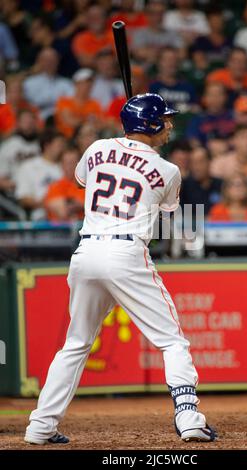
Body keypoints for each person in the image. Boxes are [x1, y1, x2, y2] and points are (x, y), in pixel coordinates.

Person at [24, 93, 217, 445]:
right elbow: (170, 208)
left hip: (85, 252)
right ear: (151, 124)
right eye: (165, 119)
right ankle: (189, 418)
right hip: (126, 252)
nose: (170, 125)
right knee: (172, 340)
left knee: (76, 343)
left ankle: (40, 426)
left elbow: (86, 180)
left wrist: (123, 148)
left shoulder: (96, 148)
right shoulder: (168, 169)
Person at [15, 129, 65, 220]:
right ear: (47, 145)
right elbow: (23, 198)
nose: (62, 149)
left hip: (68, 217)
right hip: (40, 217)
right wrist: (48, 203)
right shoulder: (29, 166)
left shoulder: (66, 166)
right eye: (59, 145)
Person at [23, 48, 74, 120]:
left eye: (52, 60)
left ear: (58, 62)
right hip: (36, 121)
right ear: (39, 61)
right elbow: (27, 106)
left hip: (61, 121)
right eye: (46, 60)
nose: (49, 63)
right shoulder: (29, 83)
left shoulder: (66, 83)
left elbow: (70, 104)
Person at [131, 1, 184, 68]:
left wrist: (153, 53)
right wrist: (166, 55)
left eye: (160, 13)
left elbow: (182, 53)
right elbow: (138, 53)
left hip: (169, 69)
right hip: (146, 69)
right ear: (147, 15)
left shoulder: (172, 33)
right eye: (153, 13)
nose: (157, 17)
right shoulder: (140, 33)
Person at [55, 68, 105, 138]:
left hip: (89, 139)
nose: (87, 86)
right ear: (76, 84)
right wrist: (88, 120)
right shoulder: (64, 101)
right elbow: (69, 121)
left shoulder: (95, 103)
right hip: (67, 138)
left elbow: (100, 124)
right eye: (84, 83)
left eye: (90, 83)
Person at [0, 110, 41, 196]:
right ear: (17, 124)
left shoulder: (43, 145)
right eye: (25, 121)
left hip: (40, 189)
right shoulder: (8, 146)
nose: (29, 125)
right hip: (15, 192)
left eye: (31, 121)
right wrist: (22, 184)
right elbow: (1, 180)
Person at [185, 81, 235, 146]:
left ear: (225, 97)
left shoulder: (234, 116)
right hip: (207, 153)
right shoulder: (197, 120)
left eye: (219, 94)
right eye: (211, 95)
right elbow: (193, 140)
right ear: (204, 98)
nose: (215, 98)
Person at [149, 47, 198, 112]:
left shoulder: (187, 86)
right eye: (167, 60)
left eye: (174, 60)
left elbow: (196, 107)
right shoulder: (152, 86)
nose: (171, 63)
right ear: (159, 63)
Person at [44, 146, 85, 222]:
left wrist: (69, 203)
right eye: (67, 163)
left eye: (73, 162)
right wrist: (80, 205)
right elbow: (62, 212)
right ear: (61, 165)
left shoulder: (87, 186)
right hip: (58, 231)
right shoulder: (55, 187)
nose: (70, 166)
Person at [181, 146, 222, 216]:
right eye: (193, 163)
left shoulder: (221, 185)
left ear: (209, 162)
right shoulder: (183, 188)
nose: (196, 167)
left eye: (200, 162)